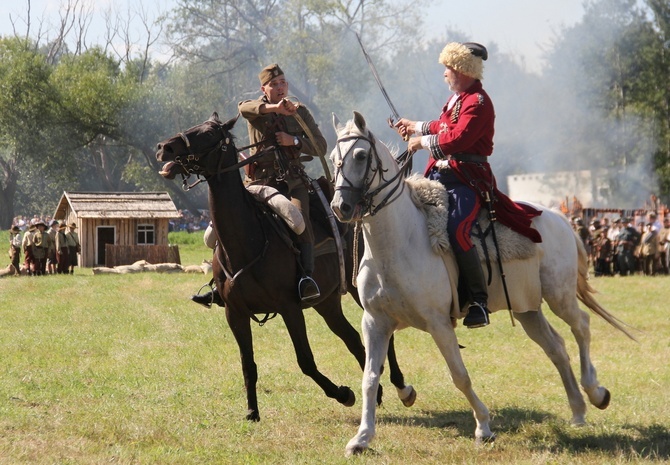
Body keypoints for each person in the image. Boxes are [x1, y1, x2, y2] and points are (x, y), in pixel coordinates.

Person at [394, 42, 542, 328]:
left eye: (447, 69)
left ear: (461, 70)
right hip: (440, 175)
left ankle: (478, 301)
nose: (444, 74)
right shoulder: (458, 100)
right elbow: (444, 126)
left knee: (456, 227)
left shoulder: (479, 102)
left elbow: (459, 138)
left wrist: (420, 142)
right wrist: (414, 126)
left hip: (468, 179)